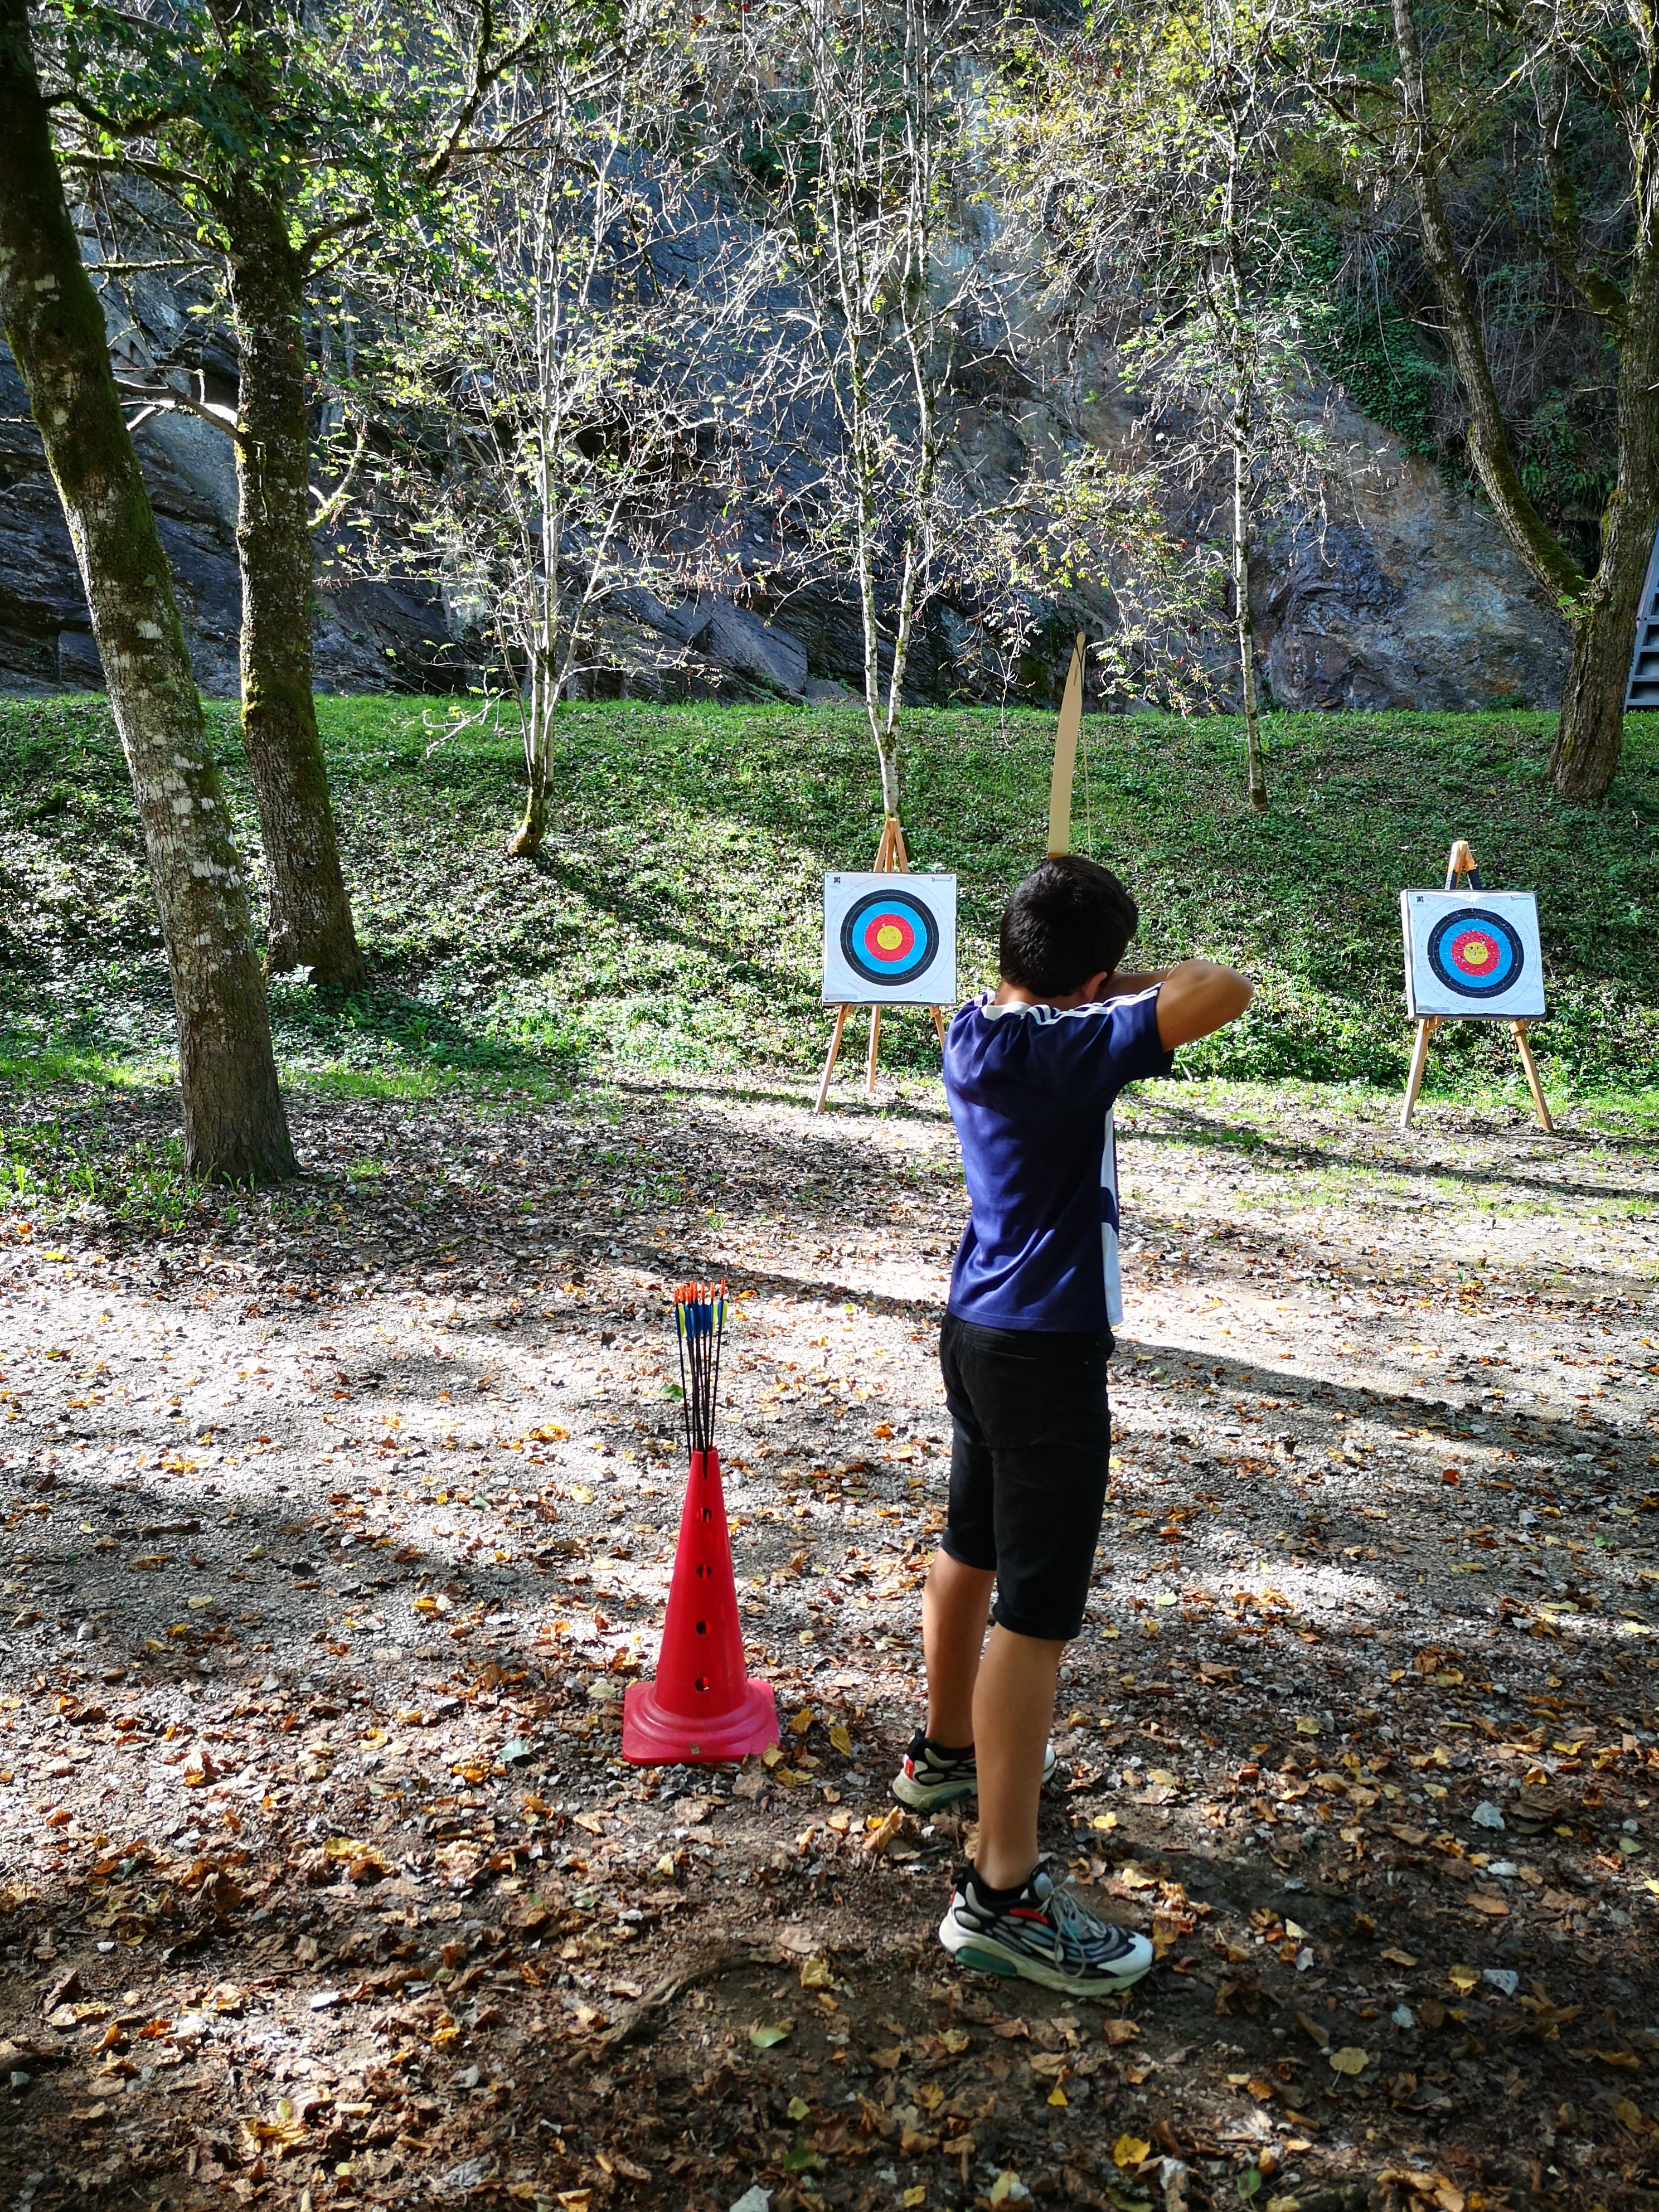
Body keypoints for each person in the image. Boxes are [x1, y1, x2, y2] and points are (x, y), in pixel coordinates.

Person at [891, 853, 1253, 1995]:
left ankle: (944, 1753)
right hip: (1045, 1357)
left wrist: (1078, 982)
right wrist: (1112, 991)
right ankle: (1002, 1891)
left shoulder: (973, 1025)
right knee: (1035, 1618)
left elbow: (1091, 990)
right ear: (1090, 981)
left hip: (975, 1330)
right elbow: (1222, 984)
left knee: (970, 1548)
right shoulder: (1067, 1050)